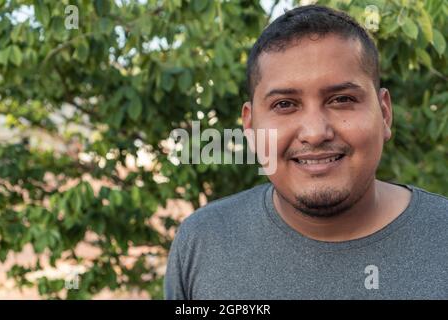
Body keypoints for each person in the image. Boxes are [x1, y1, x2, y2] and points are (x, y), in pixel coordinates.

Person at [164, 5, 448, 299]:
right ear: (250, 127)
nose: (314, 132)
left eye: (341, 99)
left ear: (385, 114)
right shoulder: (203, 242)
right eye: (284, 104)